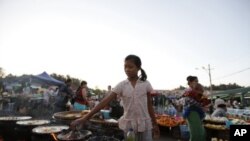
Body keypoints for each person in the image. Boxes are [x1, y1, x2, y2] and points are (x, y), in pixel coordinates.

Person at [71, 54, 160, 141]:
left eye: (130, 67)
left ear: (138, 68)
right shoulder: (122, 85)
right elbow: (104, 102)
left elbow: (149, 106)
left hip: (145, 125)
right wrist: (85, 118)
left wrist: (155, 124)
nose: (127, 70)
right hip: (129, 126)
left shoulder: (146, 84)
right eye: (125, 67)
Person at [182, 75, 207, 141]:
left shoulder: (196, 90)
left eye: (197, 81)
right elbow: (189, 100)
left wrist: (203, 101)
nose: (197, 82)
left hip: (197, 112)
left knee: (199, 130)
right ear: (190, 82)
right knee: (195, 131)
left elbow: (202, 98)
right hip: (191, 112)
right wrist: (201, 105)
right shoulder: (188, 91)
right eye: (195, 81)